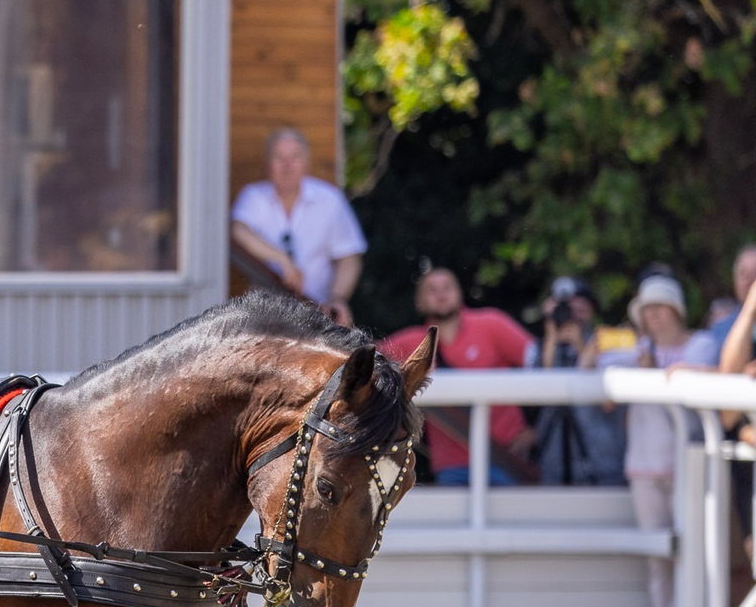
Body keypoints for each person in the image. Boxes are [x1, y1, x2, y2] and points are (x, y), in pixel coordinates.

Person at [621, 271, 721, 607]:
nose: (655, 316)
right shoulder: (631, 351)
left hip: (689, 465)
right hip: (643, 466)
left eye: (661, 307)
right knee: (657, 562)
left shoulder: (701, 347)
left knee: (695, 555)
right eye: (648, 309)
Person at [378, 266, 536, 484]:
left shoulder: (493, 324)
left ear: (460, 293)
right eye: (432, 290)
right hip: (451, 465)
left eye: (447, 287)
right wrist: (340, 319)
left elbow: (545, 364)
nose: (441, 294)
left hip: (508, 457)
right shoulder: (409, 343)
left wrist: (535, 430)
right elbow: (361, 359)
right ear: (419, 303)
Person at [229, 127, 366, 326]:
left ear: (307, 163)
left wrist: (337, 298)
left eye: (295, 157)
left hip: (317, 316)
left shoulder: (330, 200)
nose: (287, 166)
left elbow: (349, 258)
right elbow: (238, 231)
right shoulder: (253, 197)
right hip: (263, 316)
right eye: (279, 157)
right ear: (268, 164)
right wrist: (282, 259)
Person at [526, 275, 626, 486]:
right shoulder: (537, 348)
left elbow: (610, 401)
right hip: (553, 455)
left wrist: (582, 347)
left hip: (598, 455)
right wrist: (551, 340)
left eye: (579, 308)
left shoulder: (606, 343)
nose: (571, 314)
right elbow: (536, 396)